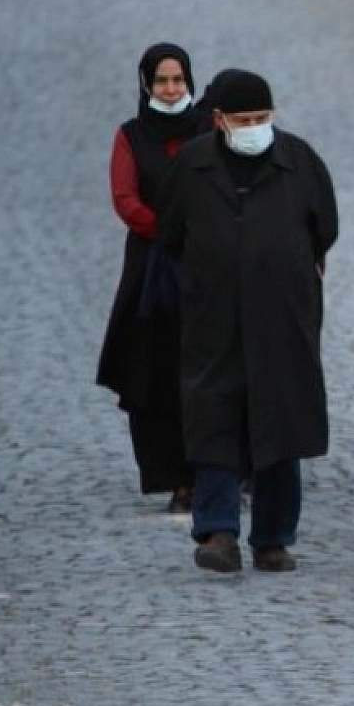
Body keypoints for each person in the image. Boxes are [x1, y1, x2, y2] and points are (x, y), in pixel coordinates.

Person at [158, 69, 338, 574]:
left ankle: (273, 538)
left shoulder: (298, 162)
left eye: (262, 118)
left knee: (281, 422)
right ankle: (218, 531)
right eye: (244, 120)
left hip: (283, 317)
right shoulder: (192, 168)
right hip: (213, 316)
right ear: (219, 121)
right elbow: (170, 232)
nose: (255, 127)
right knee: (214, 416)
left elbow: (325, 226)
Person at [97, 42, 211, 514]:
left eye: (178, 80)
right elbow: (125, 198)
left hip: (207, 262)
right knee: (157, 371)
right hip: (153, 268)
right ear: (147, 84)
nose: (170, 89)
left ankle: (218, 469)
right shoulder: (131, 136)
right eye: (161, 81)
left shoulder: (207, 129)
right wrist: (167, 230)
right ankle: (174, 475)